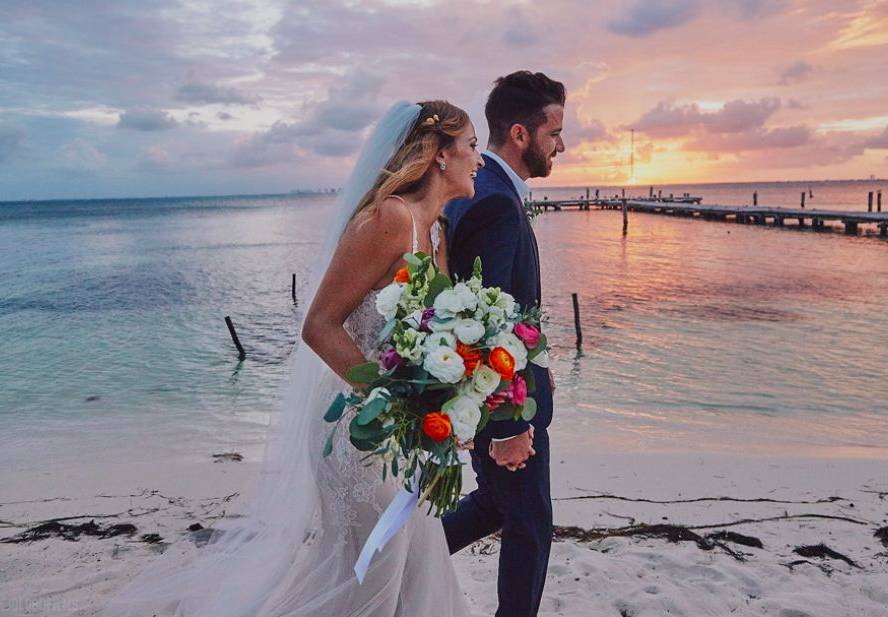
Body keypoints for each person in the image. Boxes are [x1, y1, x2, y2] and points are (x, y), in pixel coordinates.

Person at [105, 100, 483, 617]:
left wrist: (451, 393)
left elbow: (431, 339)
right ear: (440, 155)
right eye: (471, 145)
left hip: (406, 438)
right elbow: (320, 324)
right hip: (360, 431)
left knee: (415, 570)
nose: (478, 159)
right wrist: (392, 403)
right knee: (372, 575)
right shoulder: (389, 218)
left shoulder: (437, 230)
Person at [442, 70, 566, 617]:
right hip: (504, 400)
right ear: (521, 134)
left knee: (499, 507)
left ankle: (395, 563)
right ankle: (393, 563)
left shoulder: (490, 190)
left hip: (507, 386)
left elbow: (510, 311)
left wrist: (540, 365)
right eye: (554, 131)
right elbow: (487, 319)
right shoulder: (494, 202)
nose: (562, 144)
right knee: (530, 525)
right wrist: (513, 422)